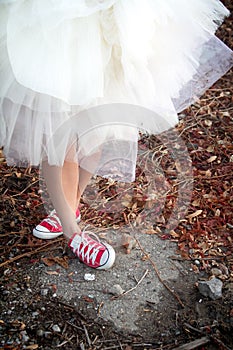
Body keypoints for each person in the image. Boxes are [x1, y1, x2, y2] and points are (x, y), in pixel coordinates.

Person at [0, 0, 232, 270]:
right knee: (60, 136)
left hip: (115, 19)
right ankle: (73, 233)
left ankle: (70, 206)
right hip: (62, 20)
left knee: (98, 124)